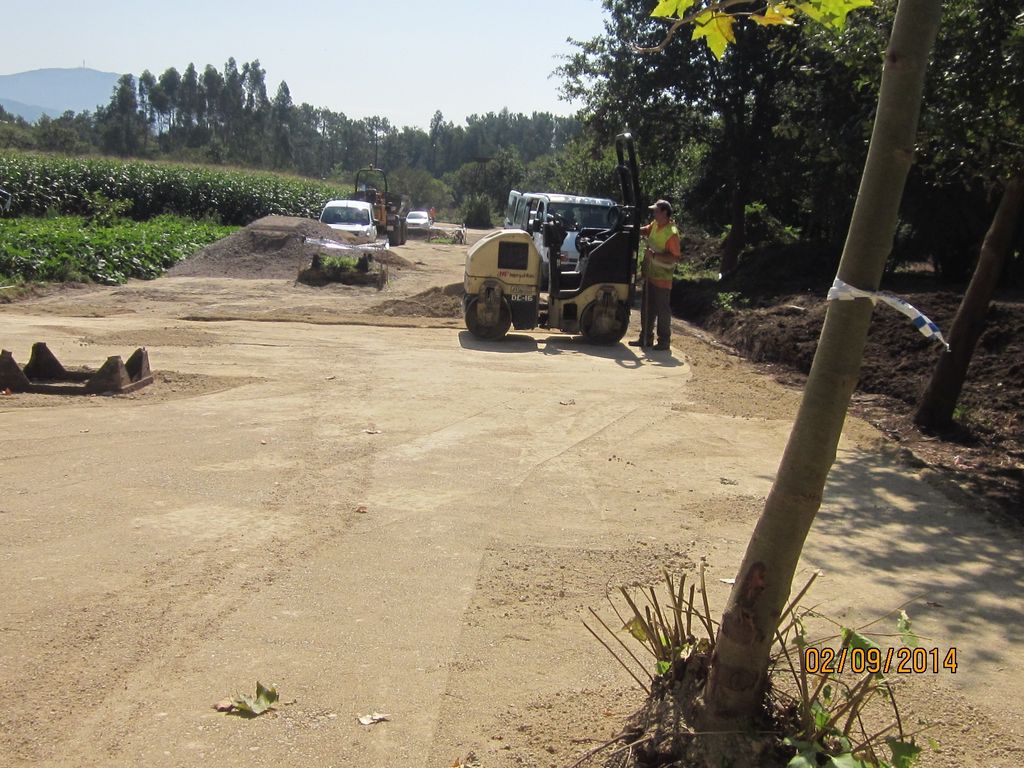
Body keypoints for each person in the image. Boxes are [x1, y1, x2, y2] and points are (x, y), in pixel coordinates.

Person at [630, 199, 681, 351]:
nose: (654, 213)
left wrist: (654, 256)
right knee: (647, 309)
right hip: (650, 275)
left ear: (664, 212)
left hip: (662, 278)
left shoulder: (671, 233)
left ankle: (664, 341)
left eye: (656, 211)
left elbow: (675, 256)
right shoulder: (655, 224)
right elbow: (646, 230)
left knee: (662, 310)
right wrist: (635, 229)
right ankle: (646, 338)